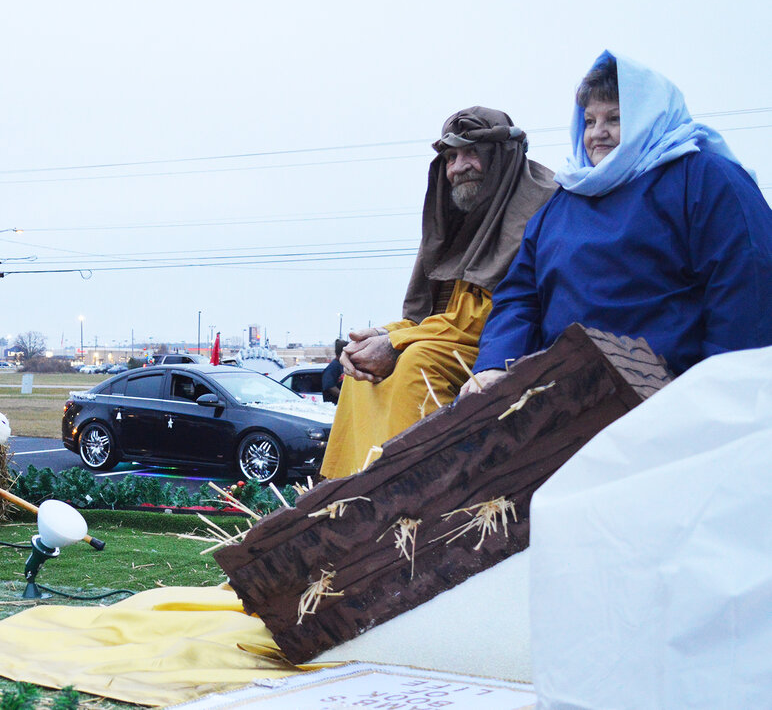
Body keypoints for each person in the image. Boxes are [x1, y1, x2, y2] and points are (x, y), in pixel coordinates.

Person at [463, 52, 772, 395]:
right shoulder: (563, 203)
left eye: (615, 118)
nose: (598, 133)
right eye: (590, 121)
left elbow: (746, 280)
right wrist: (494, 365)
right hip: (562, 400)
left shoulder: (705, 179)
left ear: (648, 118)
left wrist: (723, 390)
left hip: (670, 396)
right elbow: (520, 295)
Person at [320, 108, 555, 479]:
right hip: (454, 336)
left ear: (501, 156)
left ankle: (412, 491)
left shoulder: (538, 205)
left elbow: (488, 316)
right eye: (450, 157)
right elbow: (435, 314)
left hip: (510, 349)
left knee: (418, 363)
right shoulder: (463, 214)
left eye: (471, 153)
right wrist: (381, 337)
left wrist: (397, 342)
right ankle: (348, 495)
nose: (458, 167)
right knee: (361, 372)